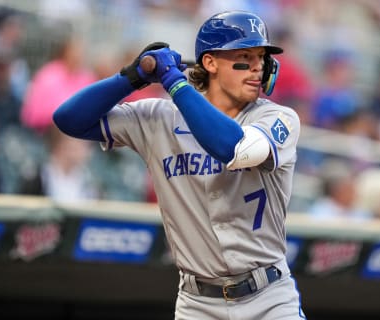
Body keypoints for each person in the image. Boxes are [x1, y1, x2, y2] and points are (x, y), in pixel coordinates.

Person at [53, 10, 305, 320]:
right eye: (244, 56)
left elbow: (232, 147)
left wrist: (174, 81)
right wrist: (131, 77)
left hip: (269, 299)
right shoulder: (160, 118)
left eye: (261, 58)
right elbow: (69, 120)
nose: (257, 67)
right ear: (210, 63)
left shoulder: (277, 118)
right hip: (198, 303)